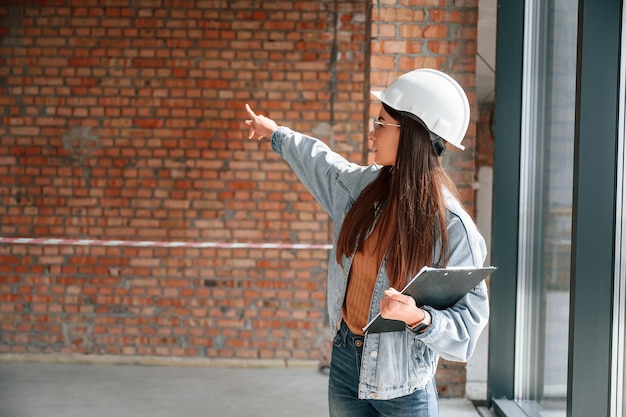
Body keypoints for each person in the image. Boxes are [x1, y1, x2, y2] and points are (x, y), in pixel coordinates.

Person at [244, 68, 489, 417]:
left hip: (402, 382)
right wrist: (275, 135)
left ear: (411, 135)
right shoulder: (360, 190)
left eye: (380, 124)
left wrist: (418, 317)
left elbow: (466, 330)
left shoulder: (451, 228)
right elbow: (321, 162)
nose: (371, 134)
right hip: (345, 363)